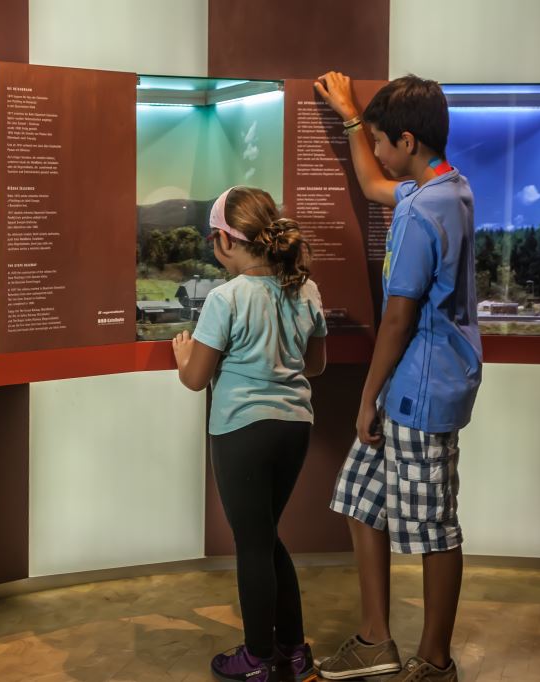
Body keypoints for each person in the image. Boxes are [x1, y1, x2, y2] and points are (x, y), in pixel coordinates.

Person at [311, 72, 482, 682]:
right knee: (359, 501)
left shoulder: (419, 215)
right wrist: (354, 119)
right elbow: (373, 181)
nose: (379, 151)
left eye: (384, 140)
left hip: (418, 391)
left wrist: (366, 397)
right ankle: (375, 640)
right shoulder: (447, 190)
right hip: (418, 384)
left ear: (407, 141)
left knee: (435, 527)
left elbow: (398, 318)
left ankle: (435, 661)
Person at [172, 186, 327, 682]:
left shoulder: (225, 298)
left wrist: (182, 356)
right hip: (295, 430)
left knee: (253, 544)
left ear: (224, 240)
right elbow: (317, 363)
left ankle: (258, 657)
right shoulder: (305, 289)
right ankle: (294, 648)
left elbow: (197, 379)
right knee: (266, 538)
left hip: (241, 431)